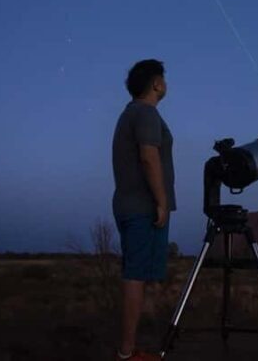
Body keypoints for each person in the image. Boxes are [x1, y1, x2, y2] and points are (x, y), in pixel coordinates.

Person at [112, 59, 176, 361]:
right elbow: (149, 157)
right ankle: (127, 353)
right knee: (136, 276)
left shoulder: (130, 114)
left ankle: (138, 346)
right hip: (144, 208)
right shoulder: (146, 113)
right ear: (156, 84)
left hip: (131, 205)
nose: (166, 82)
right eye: (163, 78)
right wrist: (162, 201)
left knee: (142, 275)